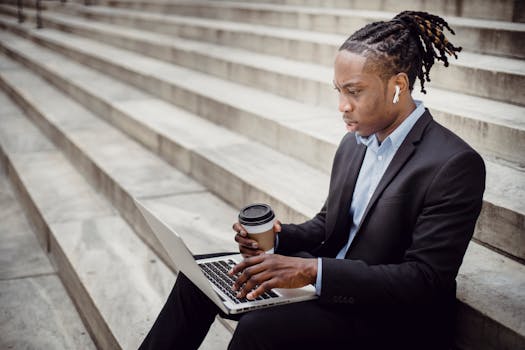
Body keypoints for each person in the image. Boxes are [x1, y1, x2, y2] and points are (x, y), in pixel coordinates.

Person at [139, 10, 485, 350]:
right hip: (330, 287)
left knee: (259, 329)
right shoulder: (356, 143)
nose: (342, 106)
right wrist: (277, 238)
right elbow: (329, 226)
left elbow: (425, 280)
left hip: (388, 317)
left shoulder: (453, 163)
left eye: (354, 91)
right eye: (338, 90)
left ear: (398, 86)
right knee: (199, 280)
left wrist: (312, 271)